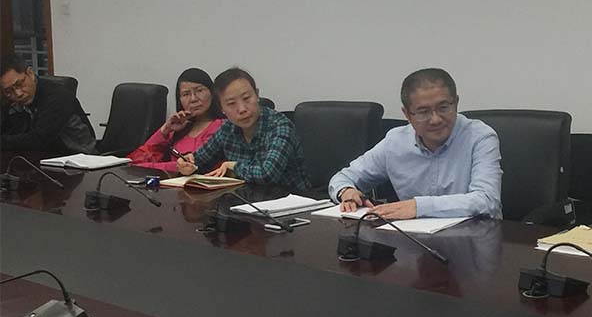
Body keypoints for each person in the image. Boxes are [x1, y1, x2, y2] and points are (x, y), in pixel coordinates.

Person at [328, 68, 502, 220]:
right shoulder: (395, 142)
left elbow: (487, 200)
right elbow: (343, 178)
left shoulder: (480, 137)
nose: (435, 119)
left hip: (475, 239)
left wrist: (418, 207)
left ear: (456, 103)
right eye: (423, 112)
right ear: (407, 114)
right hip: (414, 239)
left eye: (443, 108)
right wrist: (346, 191)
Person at [177, 67, 310, 191]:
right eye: (231, 104)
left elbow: (267, 175)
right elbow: (198, 160)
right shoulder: (227, 129)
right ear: (221, 108)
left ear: (257, 95)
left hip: (290, 201)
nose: (242, 109)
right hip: (245, 201)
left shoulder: (280, 126)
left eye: (247, 98)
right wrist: (186, 164)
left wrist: (233, 166)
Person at [128, 68, 224, 172]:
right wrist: (165, 130)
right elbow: (135, 161)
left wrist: (174, 167)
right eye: (186, 94)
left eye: (199, 91)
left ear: (212, 93)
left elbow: (197, 167)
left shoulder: (223, 127)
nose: (193, 99)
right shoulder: (180, 127)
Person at [0, 54, 96, 154]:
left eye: (19, 84)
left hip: (79, 158)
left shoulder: (58, 96)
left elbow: (39, 139)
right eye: (8, 91)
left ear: (30, 73)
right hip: (38, 157)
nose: (18, 93)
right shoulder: (10, 101)